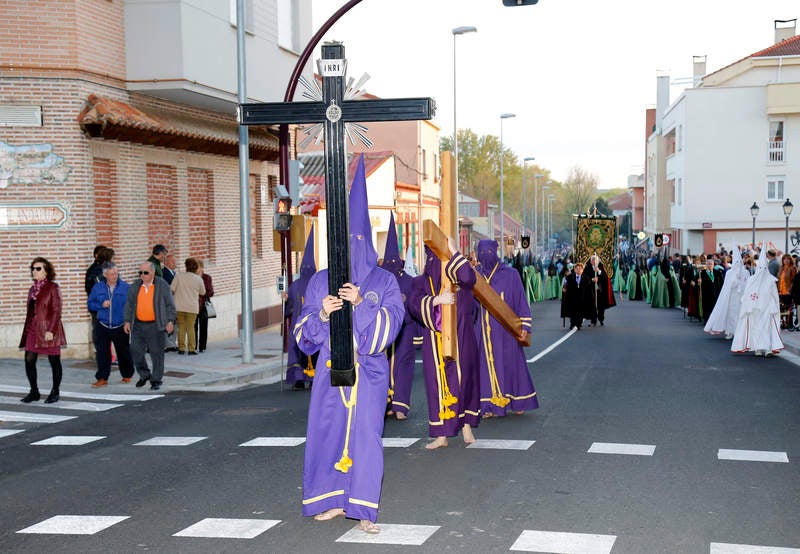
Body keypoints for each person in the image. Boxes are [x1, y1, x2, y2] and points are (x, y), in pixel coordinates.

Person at [294, 154, 403, 534]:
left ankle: (363, 510)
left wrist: (360, 304)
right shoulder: (320, 281)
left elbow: (391, 326)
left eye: (359, 240)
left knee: (366, 437)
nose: (353, 247)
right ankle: (330, 500)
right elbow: (302, 337)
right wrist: (322, 315)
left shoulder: (384, 282)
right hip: (329, 372)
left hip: (370, 374)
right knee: (327, 431)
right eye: (346, 240)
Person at [408, 243, 480, 449]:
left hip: (462, 338)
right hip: (434, 341)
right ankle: (442, 434)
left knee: (464, 379)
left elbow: (470, 277)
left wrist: (454, 249)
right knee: (436, 385)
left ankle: (466, 424)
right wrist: (436, 300)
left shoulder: (458, 280)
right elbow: (413, 304)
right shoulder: (419, 282)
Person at [474, 240, 538, 418]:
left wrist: (524, 325)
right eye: (482, 252)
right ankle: (487, 405)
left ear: (496, 252)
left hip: (506, 331)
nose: (486, 255)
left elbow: (521, 301)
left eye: (489, 251)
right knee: (484, 368)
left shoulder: (511, 274)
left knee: (512, 365)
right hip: (483, 332)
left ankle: (518, 400)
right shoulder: (474, 276)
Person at [380, 213, 419, 420]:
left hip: (403, 330)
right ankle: (392, 404)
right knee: (388, 366)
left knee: (399, 365)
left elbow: (414, 304)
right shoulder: (380, 281)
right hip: (389, 330)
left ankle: (398, 405)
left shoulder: (408, 281)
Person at [19, 257, 67, 404]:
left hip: (48, 329)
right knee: (29, 359)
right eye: (33, 268)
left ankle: (55, 391)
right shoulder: (32, 289)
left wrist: (51, 330)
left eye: (38, 268)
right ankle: (34, 391)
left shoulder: (53, 287)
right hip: (33, 328)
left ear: (46, 272)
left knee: (54, 360)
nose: (34, 271)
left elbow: (56, 310)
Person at [124, 261, 176, 390]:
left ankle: (156, 379)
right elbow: (129, 305)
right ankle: (144, 374)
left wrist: (170, 321)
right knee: (135, 351)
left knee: (156, 353)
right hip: (138, 325)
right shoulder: (136, 286)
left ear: (152, 272)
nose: (142, 275)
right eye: (140, 272)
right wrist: (127, 321)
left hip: (155, 325)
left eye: (145, 272)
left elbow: (170, 304)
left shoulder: (162, 285)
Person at [87, 262, 134, 386]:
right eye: (112, 274)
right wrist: (101, 305)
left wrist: (128, 322)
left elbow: (131, 306)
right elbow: (90, 304)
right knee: (102, 353)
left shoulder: (126, 287)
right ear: (105, 275)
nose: (115, 276)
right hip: (102, 324)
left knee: (123, 352)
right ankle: (102, 378)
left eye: (116, 273)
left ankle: (127, 374)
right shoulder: (98, 288)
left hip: (120, 325)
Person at [731, 250, 783, 356]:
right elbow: (747, 294)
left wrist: (775, 307)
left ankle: (768, 348)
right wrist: (747, 305)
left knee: (768, 328)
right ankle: (758, 348)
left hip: (768, 308)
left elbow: (774, 295)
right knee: (757, 328)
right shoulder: (752, 280)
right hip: (755, 309)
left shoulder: (771, 280)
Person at [284, 229, 317, 390]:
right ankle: (312, 379)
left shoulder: (295, 285)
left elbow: (289, 306)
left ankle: (298, 380)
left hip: (297, 326)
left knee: (296, 350)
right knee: (312, 351)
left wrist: (286, 309)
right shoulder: (318, 284)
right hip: (314, 326)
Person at [705, 246, 749, 339]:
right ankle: (730, 331)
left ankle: (739, 332)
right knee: (731, 314)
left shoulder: (746, 272)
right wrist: (735, 282)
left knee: (740, 314)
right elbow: (727, 286)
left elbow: (747, 284)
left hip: (742, 296)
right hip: (732, 296)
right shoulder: (729, 273)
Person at [170, 257, 206, 355]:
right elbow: (203, 292)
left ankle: (181, 348)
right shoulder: (198, 279)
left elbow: (171, 289)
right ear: (195, 267)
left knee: (181, 327)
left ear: (186, 266)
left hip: (179, 306)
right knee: (190, 327)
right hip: (192, 307)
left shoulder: (178, 276)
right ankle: (191, 349)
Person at [194, 259, 214, 353]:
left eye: (197, 267)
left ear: (201, 268)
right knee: (193, 327)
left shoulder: (207, 278)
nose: (195, 269)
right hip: (193, 305)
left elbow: (211, 292)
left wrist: (201, 293)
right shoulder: (192, 277)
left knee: (203, 326)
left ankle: (202, 346)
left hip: (203, 305)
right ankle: (193, 346)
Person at [563, 262, 587, 329]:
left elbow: (588, 286)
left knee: (580, 311)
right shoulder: (570, 277)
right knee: (573, 311)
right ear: (575, 269)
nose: (578, 270)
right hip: (573, 297)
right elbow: (566, 285)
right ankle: (572, 323)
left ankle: (579, 324)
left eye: (580, 268)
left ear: (582, 270)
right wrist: (564, 288)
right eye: (577, 268)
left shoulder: (585, 277)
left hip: (582, 297)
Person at [777, 253, 796, 329]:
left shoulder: (792, 268)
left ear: (790, 260)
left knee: (789, 309)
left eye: (788, 259)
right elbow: (779, 279)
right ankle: (784, 323)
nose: (786, 260)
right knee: (782, 308)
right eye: (784, 259)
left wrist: (790, 290)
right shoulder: (781, 268)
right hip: (781, 291)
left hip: (788, 292)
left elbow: (794, 281)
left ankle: (790, 324)